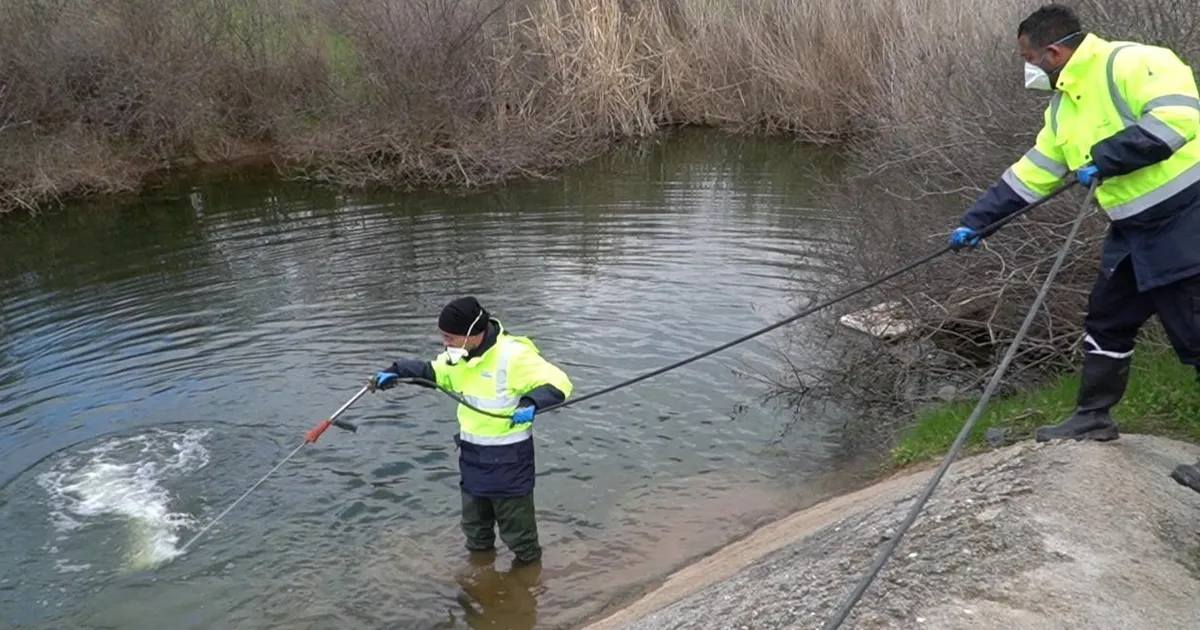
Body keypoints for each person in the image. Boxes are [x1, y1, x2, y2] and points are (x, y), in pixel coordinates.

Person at [945, 4, 1200, 490]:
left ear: (1055, 51)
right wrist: (977, 223)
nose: (1031, 68)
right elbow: (1035, 171)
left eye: (1031, 58)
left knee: (1196, 337)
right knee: (1107, 322)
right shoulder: (1064, 105)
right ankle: (1093, 417)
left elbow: (1177, 119)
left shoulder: (1133, 61)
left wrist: (1109, 157)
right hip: (1131, 232)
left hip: (1187, 223)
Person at [369, 296, 573, 563]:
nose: (446, 343)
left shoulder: (513, 355)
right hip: (472, 458)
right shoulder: (460, 357)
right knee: (476, 532)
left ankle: (528, 588)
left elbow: (559, 382)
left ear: (473, 334)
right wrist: (397, 370)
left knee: (519, 537)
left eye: (450, 337)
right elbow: (435, 372)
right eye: (443, 336)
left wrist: (531, 402)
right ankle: (480, 578)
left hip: (510, 462)